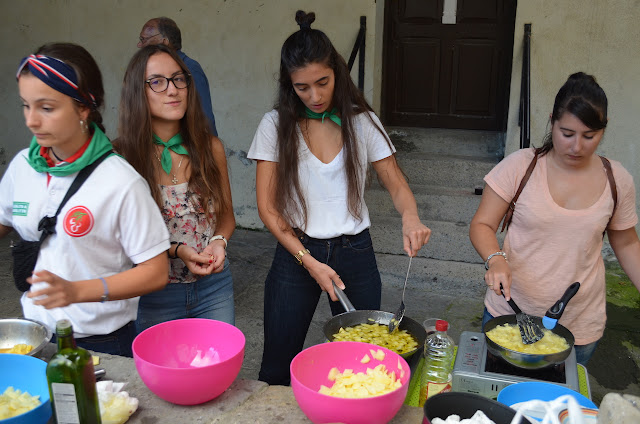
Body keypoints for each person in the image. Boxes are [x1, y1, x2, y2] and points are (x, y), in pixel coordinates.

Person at [248, 11, 431, 385]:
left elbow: (395, 182)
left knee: (361, 361)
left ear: (337, 73)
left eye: (323, 82)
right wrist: (308, 261)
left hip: (355, 254)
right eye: (302, 88)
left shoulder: (361, 121)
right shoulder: (274, 125)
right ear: (289, 85)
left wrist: (410, 216)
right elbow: (267, 208)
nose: (314, 96)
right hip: (296, 252)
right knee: (277, 365)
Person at [0, 43, 170, 357]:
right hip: (34, 335)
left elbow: (156, 271)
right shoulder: (23, 166)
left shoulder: (120, 182)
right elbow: (4, 219)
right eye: (26, 105)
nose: (31, 121)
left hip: (99, 342)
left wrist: (77, 291)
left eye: (46, 108)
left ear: (84, 108)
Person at [469, 72, 640, 365]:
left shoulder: (617, 178)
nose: (577, 147)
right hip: (511, 315)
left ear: (604, 128)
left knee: (562, 406)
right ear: (552, 122)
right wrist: (496, 258)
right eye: (567, 133)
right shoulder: (520, 166)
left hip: (580, 324)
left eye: (589, 136)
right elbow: (481, 225)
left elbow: (626, 243)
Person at [116, 44, 236, 333]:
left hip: (214, 287)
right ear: (137, 93)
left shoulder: (210, 147)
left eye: (178, 78)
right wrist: (177, 250)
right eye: (157, 82)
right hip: (154, 292)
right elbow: (123, 238)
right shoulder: (121, 156)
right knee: (160, 376)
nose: (172, 90)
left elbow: (227, 217)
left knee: (216, 368)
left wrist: (218, 241)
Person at [137, 16, 218, 136]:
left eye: (144, 39)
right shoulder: (150, 69)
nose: (140, 45)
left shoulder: (190, 68)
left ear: (164, 42)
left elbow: (204, 117)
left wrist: (207, 150)